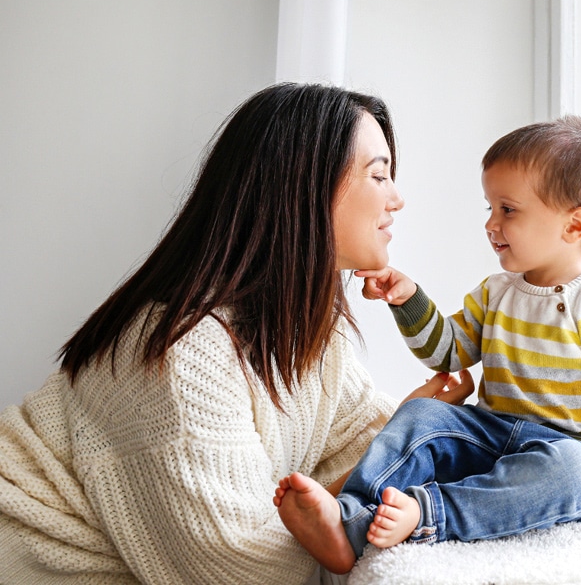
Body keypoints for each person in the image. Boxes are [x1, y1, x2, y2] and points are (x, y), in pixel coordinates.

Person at [0, 82, 472, 584]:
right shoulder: (183, 355)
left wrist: (409, 426)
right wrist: (362, 472)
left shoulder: (302, 333)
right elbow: (244, 568)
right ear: (304, 188)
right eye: (380, 175)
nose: (397, 199)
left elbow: (364, 440)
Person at [274, 116, 581, 573]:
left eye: (508, 209)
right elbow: (449, 352)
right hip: (489, 434)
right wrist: (408, 299)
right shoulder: (496, 292)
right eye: (489, 208)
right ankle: (349, 518)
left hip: (560, 451)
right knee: (423, 414)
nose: (491, 223)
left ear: (575, 226)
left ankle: (428, 513)